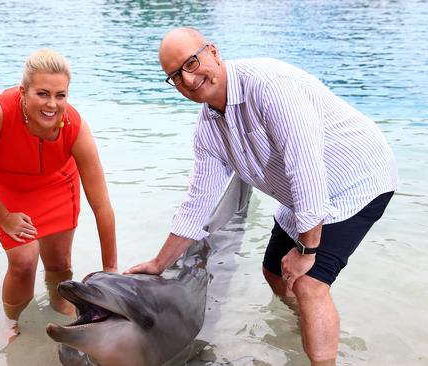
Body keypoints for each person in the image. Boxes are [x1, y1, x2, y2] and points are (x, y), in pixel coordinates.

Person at [125, 28, 397, 365]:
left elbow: (306, 169)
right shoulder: (209, 128)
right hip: (305, 196)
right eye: (176, 76)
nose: (189, 79)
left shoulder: (269, 87)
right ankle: (311, 328)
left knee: (310, 283)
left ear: (213, 52)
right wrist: (158, 263)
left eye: (192, 62)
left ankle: (322, 353)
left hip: (357, 179)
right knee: (274, 270)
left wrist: (307, 250)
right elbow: (197, 203)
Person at [0, 49, 118, 338]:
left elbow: (102, 205)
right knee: (23, 261)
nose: (52, 104)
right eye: (43, 94)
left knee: (59, 264)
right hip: (5, 188)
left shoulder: (75, 127)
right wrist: (5, 217)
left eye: (61, 95)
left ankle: (59, 303)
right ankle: (14, 322)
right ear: (23, 92)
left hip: (58, 186)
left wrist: (111, 269)